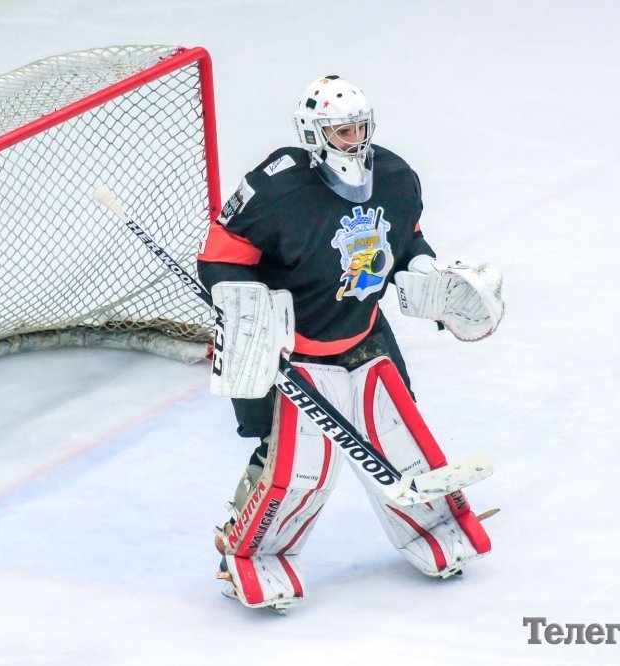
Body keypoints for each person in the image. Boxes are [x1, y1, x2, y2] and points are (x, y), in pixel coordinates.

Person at [196, 75, 504, 613]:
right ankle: (244, 550)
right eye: (342, 131)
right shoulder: (276, 188)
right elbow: (219, 257)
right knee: (294, 463)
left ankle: (431, 528)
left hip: (363, 334)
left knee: (398, 439)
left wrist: (425, 271)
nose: (354, 140)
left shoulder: (395, 177)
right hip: (290, 348)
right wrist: (247, 309)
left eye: (360, 128)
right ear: (312, 134)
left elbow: (408, 239)